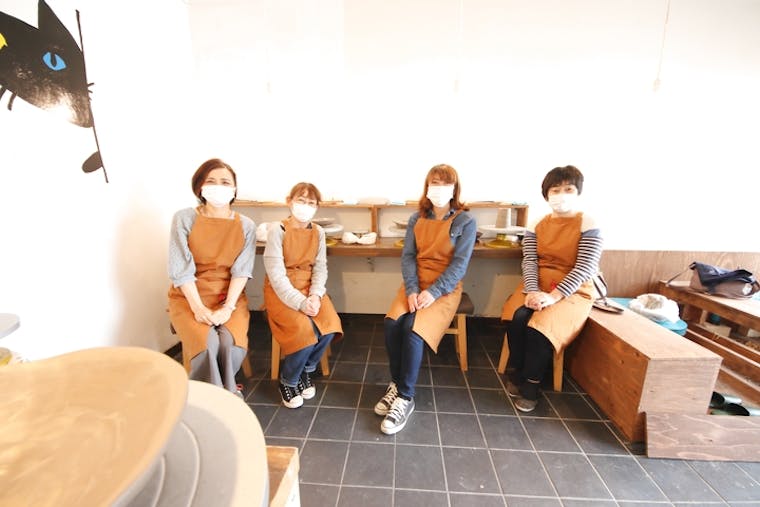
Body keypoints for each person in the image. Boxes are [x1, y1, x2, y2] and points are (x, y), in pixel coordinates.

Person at [375, 164, 477, 434]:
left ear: (454, 188)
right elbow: (408, 256)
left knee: (413, 329)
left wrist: (433, 292)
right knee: (392, 323)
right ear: (427, 187)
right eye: (434, 183)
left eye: (445, 183)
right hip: (415, 283)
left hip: (444, 288)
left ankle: (405, 397)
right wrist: (412, 290)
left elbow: (459, 265)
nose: (439, 189)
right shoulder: (416, 218)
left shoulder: (465, 221)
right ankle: (396, 383)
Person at [501, 165, 603, 412]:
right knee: (516, 317)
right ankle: (518, 372)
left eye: (568, 189)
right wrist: (533, 291)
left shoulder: (588, 223)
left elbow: (585, 267)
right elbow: (529, 260)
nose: (561, 195)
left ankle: (532, 385)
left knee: (540, 328)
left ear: (578, 192)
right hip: (537, 284)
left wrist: (554, 296)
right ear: (546, 194)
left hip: (574, 290)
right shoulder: (537, 223)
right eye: (555, 190)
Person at [167, 158, 255, 397]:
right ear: (200, 187)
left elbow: (241, 271)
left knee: (229, 343)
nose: (219, 186)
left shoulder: (246, 225)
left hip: (229, 296)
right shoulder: (184, 218)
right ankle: (214, 397)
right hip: (189, 296)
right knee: (207, 344)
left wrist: (228, 308)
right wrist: (198, 308)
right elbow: (181, 270)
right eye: (211, 181)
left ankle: (224, 391)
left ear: (234, 189)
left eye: (225, 182)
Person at [263, 182, 343, 409]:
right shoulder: (277, 231)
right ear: (289, 201)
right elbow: (276, 276)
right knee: (304, 330)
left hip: (310, 287)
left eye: (311, 203)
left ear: (317, 207)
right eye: (301, 200)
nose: (305, 206)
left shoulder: (318, 232)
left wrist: (316, 295)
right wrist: (300, 303)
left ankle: (305, 371)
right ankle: (288, 380)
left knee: (330, 325)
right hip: (282, 291)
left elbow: (320, 268)